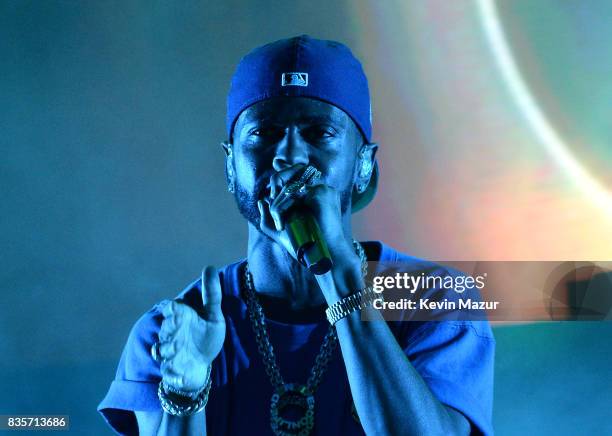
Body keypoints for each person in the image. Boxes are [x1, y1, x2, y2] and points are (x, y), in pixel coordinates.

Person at [98, 35, 495, 436]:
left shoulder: (436, 297)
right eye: (264, 133)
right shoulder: (175, 328)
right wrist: (185, 393)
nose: (289, 155)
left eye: (319, 133)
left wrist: (336, 274)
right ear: (231, 167)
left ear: (363, 166)